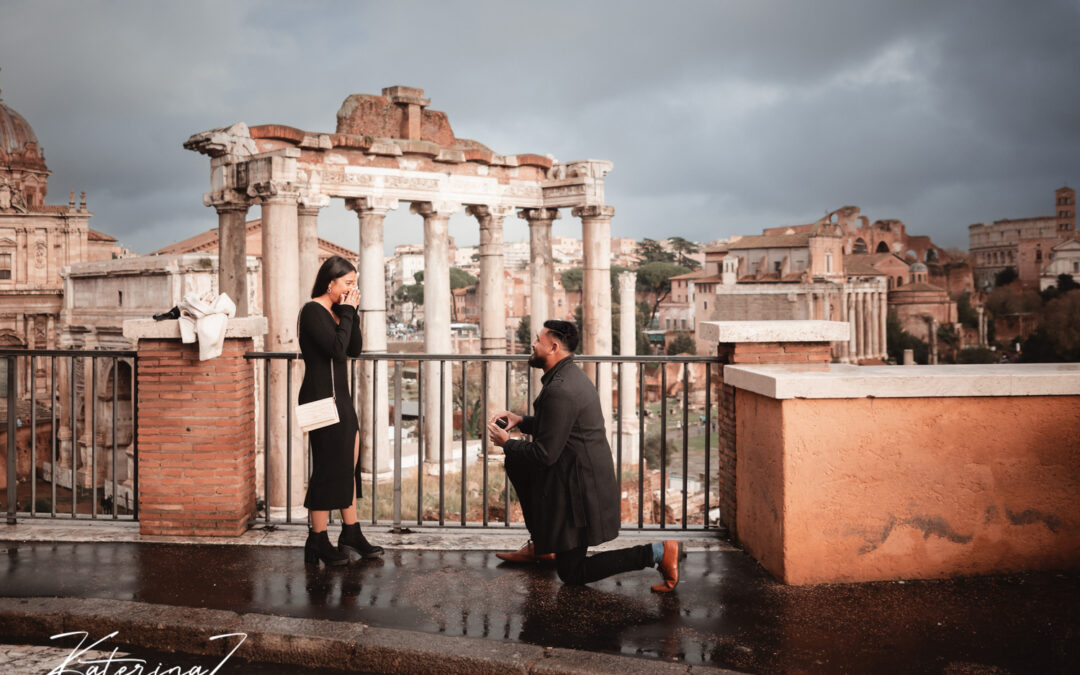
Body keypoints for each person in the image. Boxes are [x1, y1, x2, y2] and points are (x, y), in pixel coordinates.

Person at [487, 320, 683, 592]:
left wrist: (506, 443)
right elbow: (560, 427)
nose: (532, 345)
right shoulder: (568, 377)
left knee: (572, 573)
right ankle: (542, 546)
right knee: (520, 464)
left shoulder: (560, 390)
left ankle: (658, 552)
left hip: (579, 493)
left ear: (553, 346)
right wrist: (521, 420)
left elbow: (544, 454)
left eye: (537, 340)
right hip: (578, 480)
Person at [298, 255, 384, 565]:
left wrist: (352, 313)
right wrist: (346, 312)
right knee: (326, 470)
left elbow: (354, 348)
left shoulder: (338, 313)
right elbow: (335, 351)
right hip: (320, 399)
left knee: (348, 466)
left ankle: (351, 532)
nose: (352, 288)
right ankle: (317, 540)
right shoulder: (312, 312)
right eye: (347, 283)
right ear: (329, 282)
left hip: (341, 399)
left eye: (355, 284)